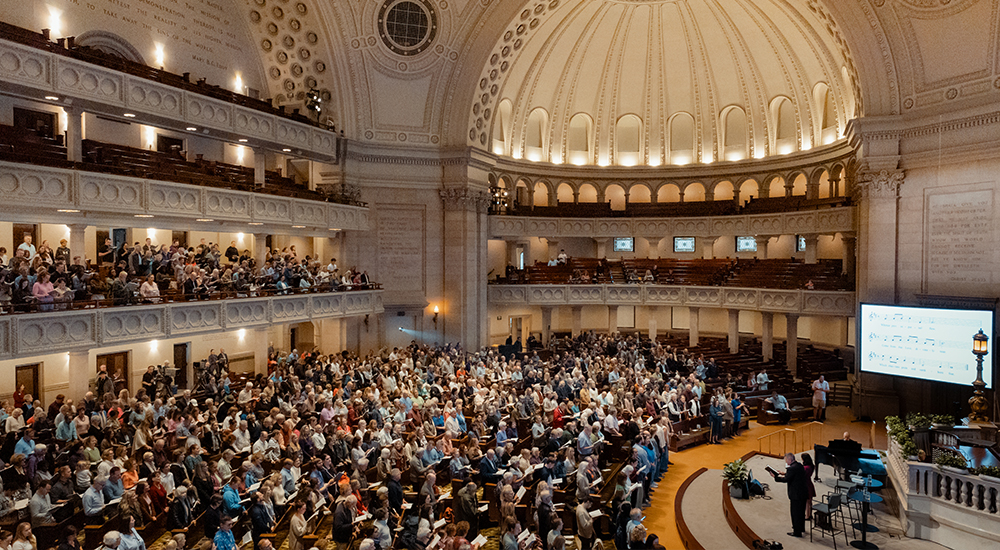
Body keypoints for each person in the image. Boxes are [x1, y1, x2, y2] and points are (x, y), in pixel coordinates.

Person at [768, 453, 810, 538]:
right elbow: (792, 476)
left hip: (796, 495)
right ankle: (801, 528)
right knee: (801, 512)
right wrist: (783, 473)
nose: (786, 462)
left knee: (795, 513)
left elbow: (786, 479)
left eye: (786, 460)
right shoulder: (799, 465)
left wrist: (775, 477)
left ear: (790, 460)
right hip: (803, 493)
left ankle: (797, 532)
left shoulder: (791, 469)